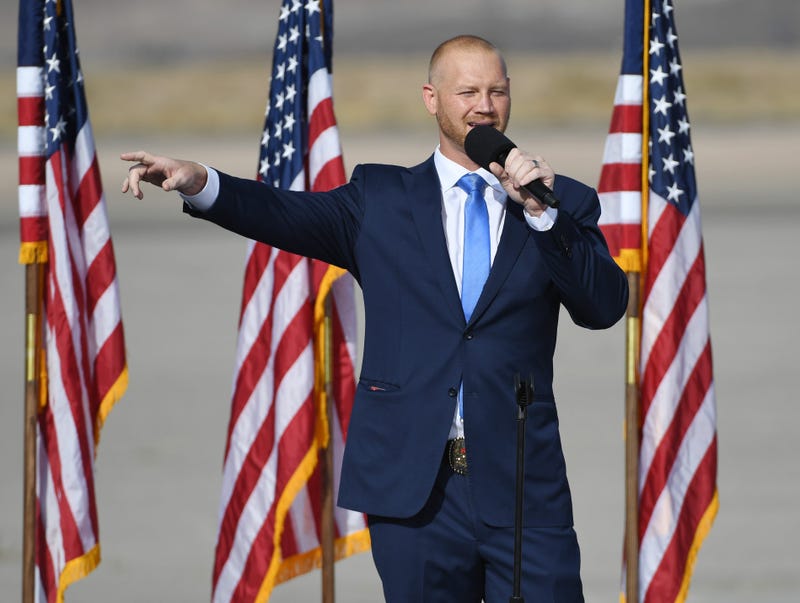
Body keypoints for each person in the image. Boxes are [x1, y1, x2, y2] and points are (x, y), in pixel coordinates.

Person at [122, 35, 628, 603]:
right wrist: (200, 181)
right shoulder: (381, 199)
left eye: (496, 91)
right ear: (431, 99)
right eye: (467, 92)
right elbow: (283, 213)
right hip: (415, 490)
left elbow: (604, 306)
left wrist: (541, 213)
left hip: (521, 489)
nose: (484, 106)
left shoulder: (561, 202)